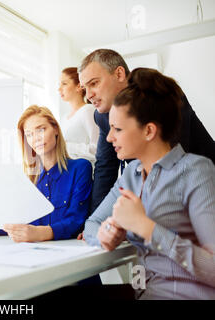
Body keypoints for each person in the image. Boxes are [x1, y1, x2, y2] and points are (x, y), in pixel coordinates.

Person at [83, 68, 215, 299]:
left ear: (149, 131)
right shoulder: (131, 175)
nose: (109, 137)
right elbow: (92, 223)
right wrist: (107, 233)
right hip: (145, 291)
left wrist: (147, 228)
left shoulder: (196, 171)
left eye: (118, 129)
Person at [78, 49, 215, 214]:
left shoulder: (160, 94)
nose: (89, 95)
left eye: (94, 83)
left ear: (119, 74)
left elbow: (173, 163)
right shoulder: (102, 117)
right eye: (85, 88)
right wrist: (97, 219)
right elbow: (105, 169)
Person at [0, 105, 93, 242]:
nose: (36, 138)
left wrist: (39, 233)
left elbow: (76, 220)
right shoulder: (27, 179)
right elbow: (12, 223)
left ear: (55, 129)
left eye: (41, 130)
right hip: (32, 255)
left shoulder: (80, 168)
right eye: (29, 134)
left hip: (70, 253)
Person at [58, 67, 99, 166]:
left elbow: (97, 149)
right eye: (59, 84)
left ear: (79, 86)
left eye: (64, 84)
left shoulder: (88, 110)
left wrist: (64, 146)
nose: (59, 89)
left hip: (84, 173)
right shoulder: (64, 118)